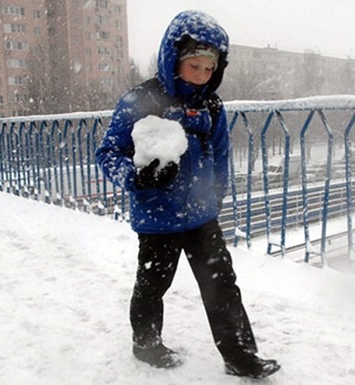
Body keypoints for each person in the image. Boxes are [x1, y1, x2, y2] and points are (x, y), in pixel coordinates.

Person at [95, 10, 280, 379]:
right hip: (157, 218)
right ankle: (146, 344)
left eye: (209, 69)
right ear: (172, 59)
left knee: (222, 286)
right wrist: (136, 178)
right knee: (153, 285)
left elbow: (222, 155)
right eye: (193, 66)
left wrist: (217, 196)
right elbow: (107, 153)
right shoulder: (139, 101)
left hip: (201, 215)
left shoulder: (211, 105)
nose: (201, 76)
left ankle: (240, 355)